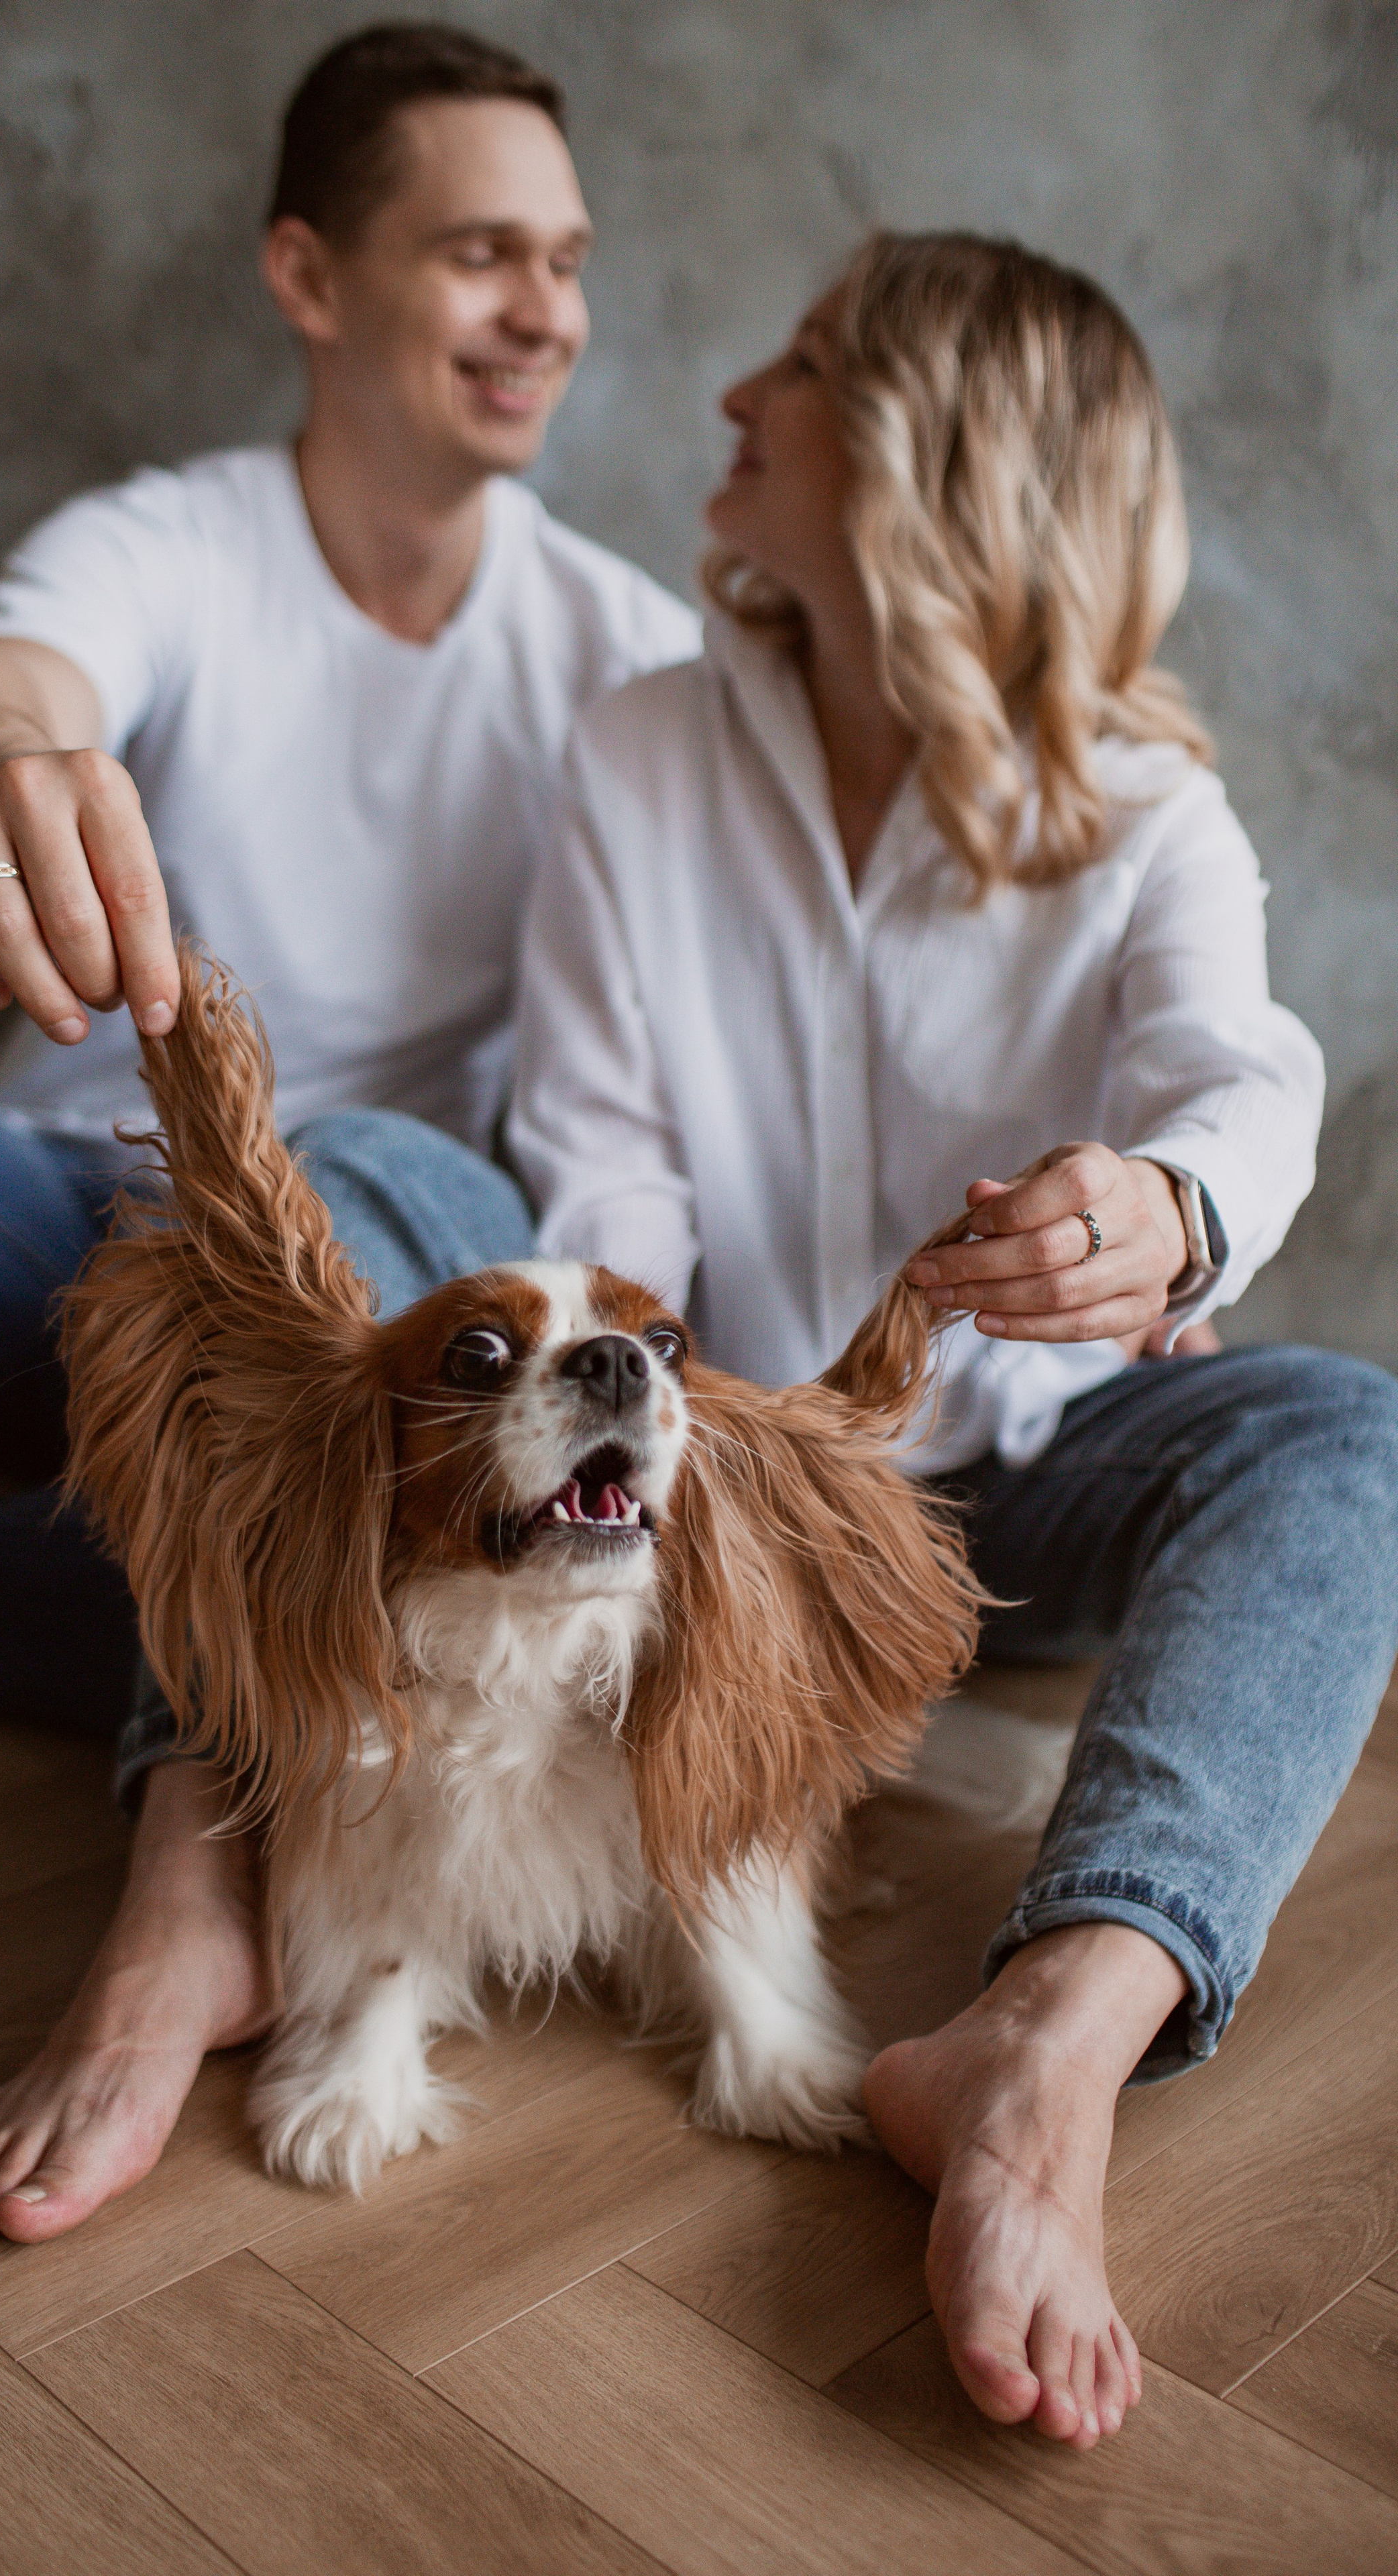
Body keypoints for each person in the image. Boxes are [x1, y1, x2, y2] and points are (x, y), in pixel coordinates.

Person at [0, 25, 696, 2232]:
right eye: (483, 253)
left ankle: (186, 1882)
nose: (546, 310)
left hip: (404, 1299)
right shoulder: (169, 544)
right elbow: (4, 685)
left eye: (568, 259)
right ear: (309, 276)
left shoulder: (630, 655)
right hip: (67, 1259)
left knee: (327, 1203)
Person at [508, 229, 1398, 2451]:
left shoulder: (1148, 811)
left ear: (940, 462)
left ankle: (1047, 2042)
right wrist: (695, 1470)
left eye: (803, 367)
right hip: (725, 1482)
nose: (737, 396)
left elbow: (1241, 1080)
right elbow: (603, 1189)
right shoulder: (638, 752)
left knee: (1346, 1436)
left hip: (1035, 1478)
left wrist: (1170, 1214)